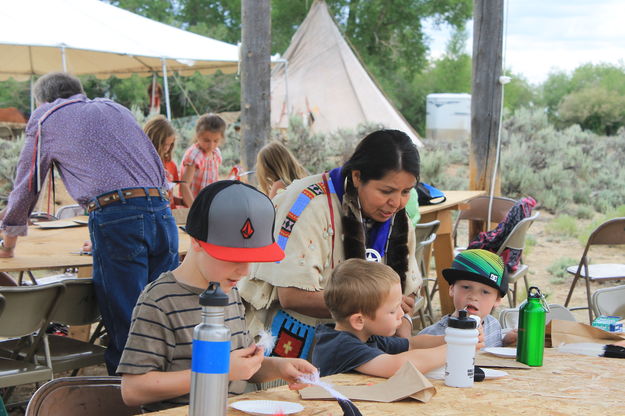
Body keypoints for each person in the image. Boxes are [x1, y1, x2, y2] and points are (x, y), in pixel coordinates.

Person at [0, 72, 179, 375]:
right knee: (163, 314)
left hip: (116, 218)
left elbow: (27, 185)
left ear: (42, 101)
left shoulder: (47, 117)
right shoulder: (115, 109)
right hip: (161, 212)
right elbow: (152, 165)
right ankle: (172, 395)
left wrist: (9, 242)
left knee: (126, 322)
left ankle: (130, 398)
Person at [117, 180, 316, 412]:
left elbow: (240, 368)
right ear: (196, 241)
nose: (245, 271)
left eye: (252, 258)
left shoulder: (228, 291)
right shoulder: (159, 301)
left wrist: (280, 367)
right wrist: (217, 370)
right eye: (233, 257)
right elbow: (133, 389)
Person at [239, 129, 422, 359]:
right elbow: (291, 294)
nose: (396, 202)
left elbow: (406, 296)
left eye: (406, 192)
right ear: (357, 177)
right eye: (386, 191)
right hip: (290, 348)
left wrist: (401, 328)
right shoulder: (306, 204)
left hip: (364, 348)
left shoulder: (398, 219)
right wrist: (372, 307)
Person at [313, 259, 450, 377]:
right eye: (392, 310)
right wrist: (454, 349)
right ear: (359, 320)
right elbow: (398, 366)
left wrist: (455, 339)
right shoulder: (341, 347)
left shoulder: (367, 336)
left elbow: (412, 344)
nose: (401, 314)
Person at [419, 249, 517, 347]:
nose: (473, 297)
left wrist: (505, 342)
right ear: (452, 289)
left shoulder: (494, 326)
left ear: (497, 300)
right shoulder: (430, 337)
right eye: (466, 287)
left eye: (485, 292)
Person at [143, 115, 193, 209]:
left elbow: (167, 194)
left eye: (170, 144)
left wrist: (181, 201)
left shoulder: (171, 165)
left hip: (170, 213)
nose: (166, 148)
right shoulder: (144, 166)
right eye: (163, 144)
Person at [180, 113, 225, 197]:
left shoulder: (216, 153)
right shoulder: (194, 156)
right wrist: (194, 208)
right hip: (195, 202)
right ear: (198, 135)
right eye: (206, 140)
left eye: (216, 141)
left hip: (209, 200)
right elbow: (184, 185)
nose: (211, 145)